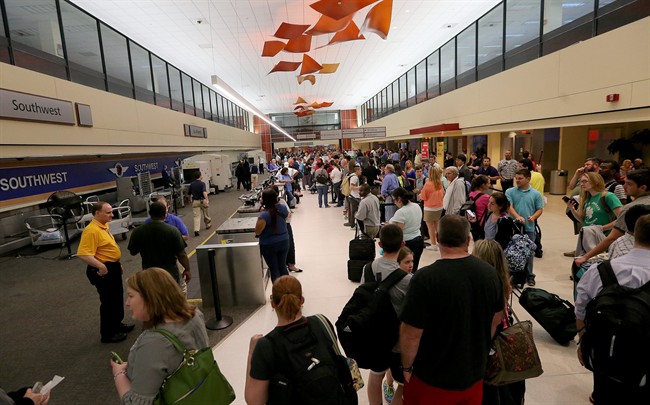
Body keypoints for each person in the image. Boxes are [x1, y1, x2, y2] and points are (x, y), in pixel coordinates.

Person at [399, 215, 504, 404]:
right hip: (473, 374)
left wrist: (406, 367)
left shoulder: (425, 279)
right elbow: (496, 319)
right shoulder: (490, 274)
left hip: (431, 378)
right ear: (468, 240)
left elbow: (411, 334)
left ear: (437, 238)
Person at [575, 215, 650, 405]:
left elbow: (580, 307)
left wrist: (583, 338)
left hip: (604, 355)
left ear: (634, 234)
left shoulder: (601, 270)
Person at [245, 276, 354, 405]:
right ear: (302, 300)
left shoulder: (266, 345)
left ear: (273, 303)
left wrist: (252, 352)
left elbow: (254, 401)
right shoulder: (321, 322)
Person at [110, 268, 210, 404]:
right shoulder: (193, 314)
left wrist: (119, 374)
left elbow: (135, 403)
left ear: (150, 298)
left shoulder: (154, 343)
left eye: (131, 296)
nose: (127, 303)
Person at [361, 225, 412, 405]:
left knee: (375, 376)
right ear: (403, 244)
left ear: (380, 244)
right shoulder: (408, 279)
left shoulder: (368, 268)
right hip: (398, 339)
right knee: (403, 384)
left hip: (375, 335)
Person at [77, 201, 134, 344]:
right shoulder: (91, 231)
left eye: (111, 211)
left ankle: (117, 324)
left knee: (116, 297)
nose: (112, 214)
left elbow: (107, 248)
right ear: (97, 213)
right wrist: (101, 267)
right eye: (108, 212)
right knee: (108, 301)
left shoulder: (104, 226)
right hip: (102, 270)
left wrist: (117, 263)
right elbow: (84, 254)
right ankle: (108, 334)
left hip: (112, 267)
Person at [574, 169, 650, 267]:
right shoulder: (587, 198)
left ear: (643, 187)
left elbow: (613, 237)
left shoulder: (628, 207)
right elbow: (582, 219)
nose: (623, 186)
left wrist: (585, 257)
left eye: (629, 184)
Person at [128, 201, 191, 288]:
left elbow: (132, 251)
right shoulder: (173, 231)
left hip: (149, 273)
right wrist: (187, 269)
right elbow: (182, 254)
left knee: (154, 298)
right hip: (170, 274)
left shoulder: (138, 231)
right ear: (165, 214)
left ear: (150, 213)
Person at [566, 172, 623, 255]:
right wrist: (572, 210)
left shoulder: (608, 196)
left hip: (604, 237)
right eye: (581, 182)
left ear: (595, 182)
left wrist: (602, 228)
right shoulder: (587, 198)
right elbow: (583, 220)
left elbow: (621, 219)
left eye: (585, 181)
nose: (582, 184)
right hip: (588, 237)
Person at [506, 169, 543, 286]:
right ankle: (511, 275)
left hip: (529, 228)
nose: (517, 180)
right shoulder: (510, 191)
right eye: (516, 178)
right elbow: (509, 206)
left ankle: (529, 275)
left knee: (529, 252)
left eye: (520, 178)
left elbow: (539, 209)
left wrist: (533, 217)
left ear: (528, 179)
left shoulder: (536, 194)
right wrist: (517, 217)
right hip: (513, 227)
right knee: (510, 251)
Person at [254, 189, 290, 282]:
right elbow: (285, 216)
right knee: (282, 266)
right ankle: (288, 289)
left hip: (269, 245)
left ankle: (278, 293)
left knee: (274, 269)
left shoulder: (264, 215)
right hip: (284, 241)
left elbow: (257, 232)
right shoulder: (282, 208)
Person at [390, 188, 424, 272]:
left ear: (399, 199)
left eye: (394, 200)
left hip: (407, 243)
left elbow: (398, 231)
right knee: (413, 268)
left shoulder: (401, 212)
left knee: (404, 270)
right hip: (418, 239)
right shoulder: (416, 206)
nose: (394, 202)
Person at [272, 185, 303, 274]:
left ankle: (290, 264)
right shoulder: (275, 203)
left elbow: (289, 214)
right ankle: (287, 265)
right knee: (287, 245)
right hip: (283, 225)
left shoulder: (281, 202)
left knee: (289, 245)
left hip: (284, 225)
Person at [419, 166, 444, 251]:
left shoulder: (428, 184)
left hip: (429, 208)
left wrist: (420, 195)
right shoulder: (440, 183)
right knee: (438, 226)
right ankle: (440, 243)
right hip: (439, 207)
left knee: (430, 227)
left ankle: (433, 244)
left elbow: (423, 197)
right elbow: (443, 194)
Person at [188, 171, 211, 237]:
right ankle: (208, 225)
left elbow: (189, 194)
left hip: (195, 201)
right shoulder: (202, 184)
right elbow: (204, 192)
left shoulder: (192, 184)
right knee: (206, 214)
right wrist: (207, 199)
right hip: (202, 200)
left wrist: (190, 200)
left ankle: (196, 230)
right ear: (200, 176)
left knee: (196, 216)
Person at [344, 164, 362, 229]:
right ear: (357, 170)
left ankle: (352, 223)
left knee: (353, 210)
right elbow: (351, 187)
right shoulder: (355, 177)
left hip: (351, 195)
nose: (361, 172)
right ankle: (353, 224)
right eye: (360, 170)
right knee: (355, 211)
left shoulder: (351, 176)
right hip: (354, 196)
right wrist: (360, 187)